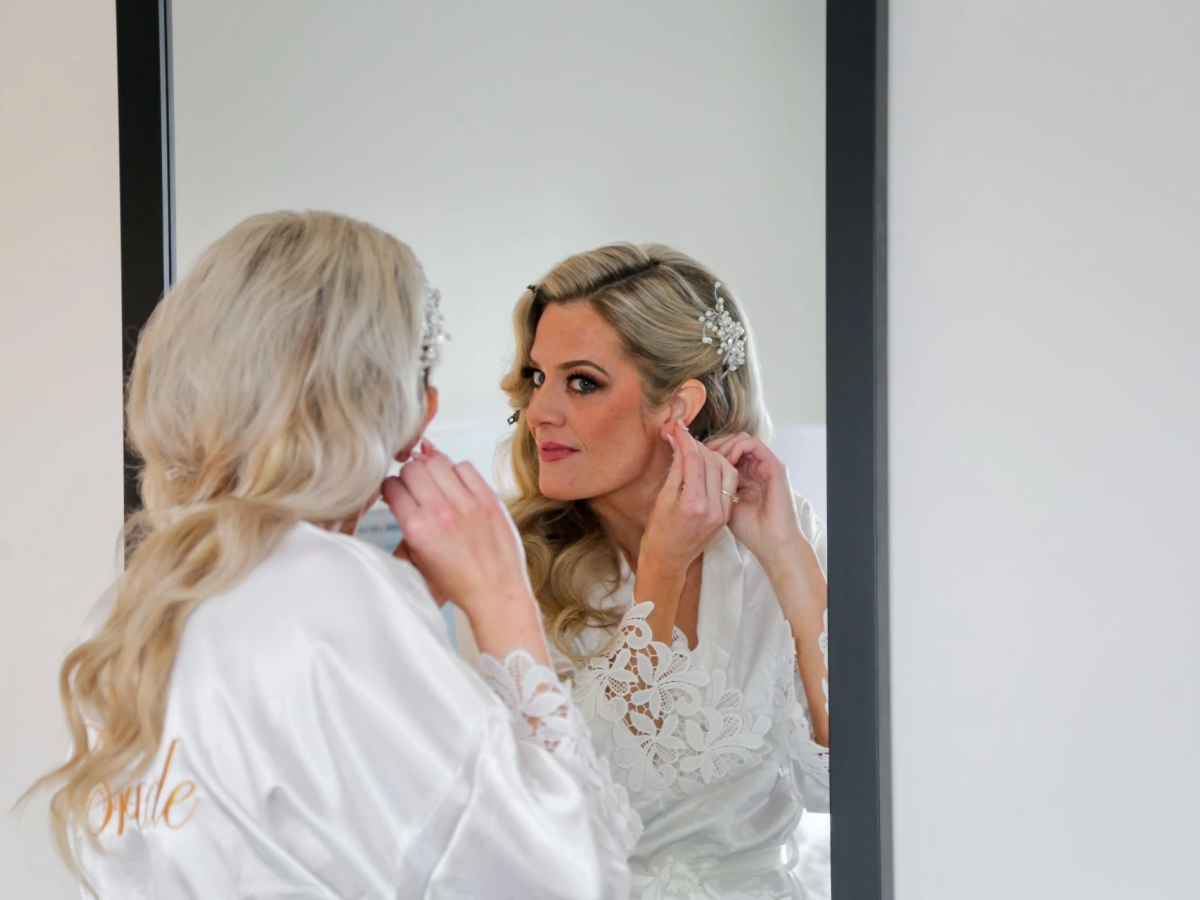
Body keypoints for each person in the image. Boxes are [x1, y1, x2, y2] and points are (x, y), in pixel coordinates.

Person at [25, 212, 640, 899]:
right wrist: (502, 603)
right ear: (398, 411)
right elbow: (561, 880)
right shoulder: (330, 596)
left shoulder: (125, 610)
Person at [498, 243, 829, 898]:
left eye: (582, 381)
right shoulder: (510, 563)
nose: (539, 411)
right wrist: (662, 569)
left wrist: (790, 562)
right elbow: (570, 815)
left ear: (678, 407)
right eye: (538, 377)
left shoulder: (778, 533)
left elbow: (841, 783)